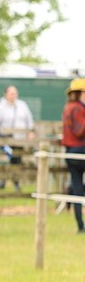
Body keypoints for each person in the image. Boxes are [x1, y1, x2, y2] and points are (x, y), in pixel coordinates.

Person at [0, 85, 34, 191]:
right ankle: (5, 181)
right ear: (5, 94)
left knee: (16, 161)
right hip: (6, 140)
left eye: (15, 93)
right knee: (9, 159)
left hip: (19, 140)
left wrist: (30, 131)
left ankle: (12, 182)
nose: (14, 95)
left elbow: (29, 120)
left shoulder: (22, 105)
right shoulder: (0, 107)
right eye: (11, 93)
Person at [62, 77, 85, 233]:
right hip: (79, 150)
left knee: (77, 189)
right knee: (77, 189)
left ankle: (80, 226)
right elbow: (79, 131)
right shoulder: (77, 108)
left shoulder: (68, 107)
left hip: (70, 151)